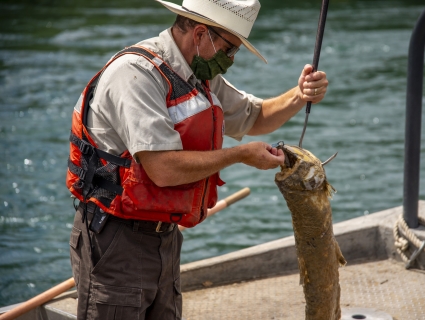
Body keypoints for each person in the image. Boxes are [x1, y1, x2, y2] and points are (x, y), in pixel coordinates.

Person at [66, 0, 329, 319]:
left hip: (165, 237)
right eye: (230, 49)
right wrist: (241, 154)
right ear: (202, 34)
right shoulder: (136, 74)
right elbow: (162, 169)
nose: (231, 60)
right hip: (115, 238)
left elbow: (254, 118)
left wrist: (300, 94)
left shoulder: (200, 72)